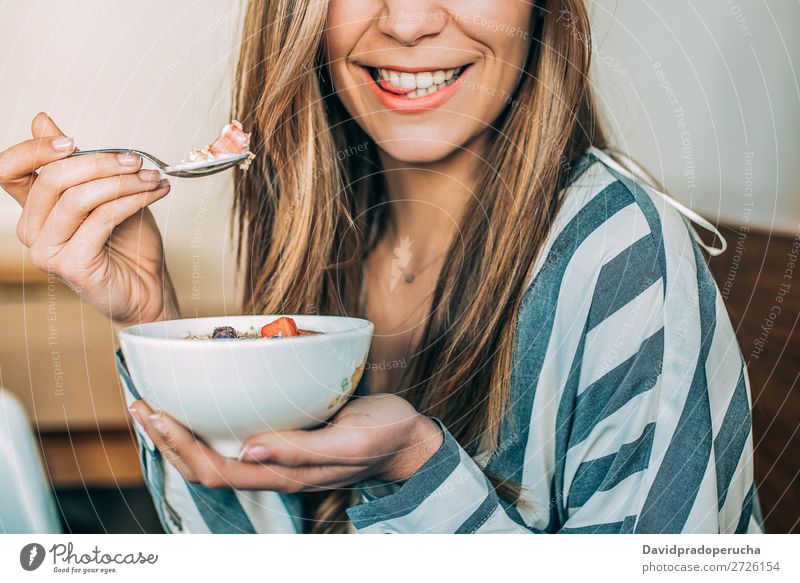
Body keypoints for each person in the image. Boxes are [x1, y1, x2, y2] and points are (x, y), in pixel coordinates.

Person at [0, 0, 763, 534]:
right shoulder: (328, 233)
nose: (406, 21)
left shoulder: (623, 259)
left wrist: (417, 470)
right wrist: (152, 323)